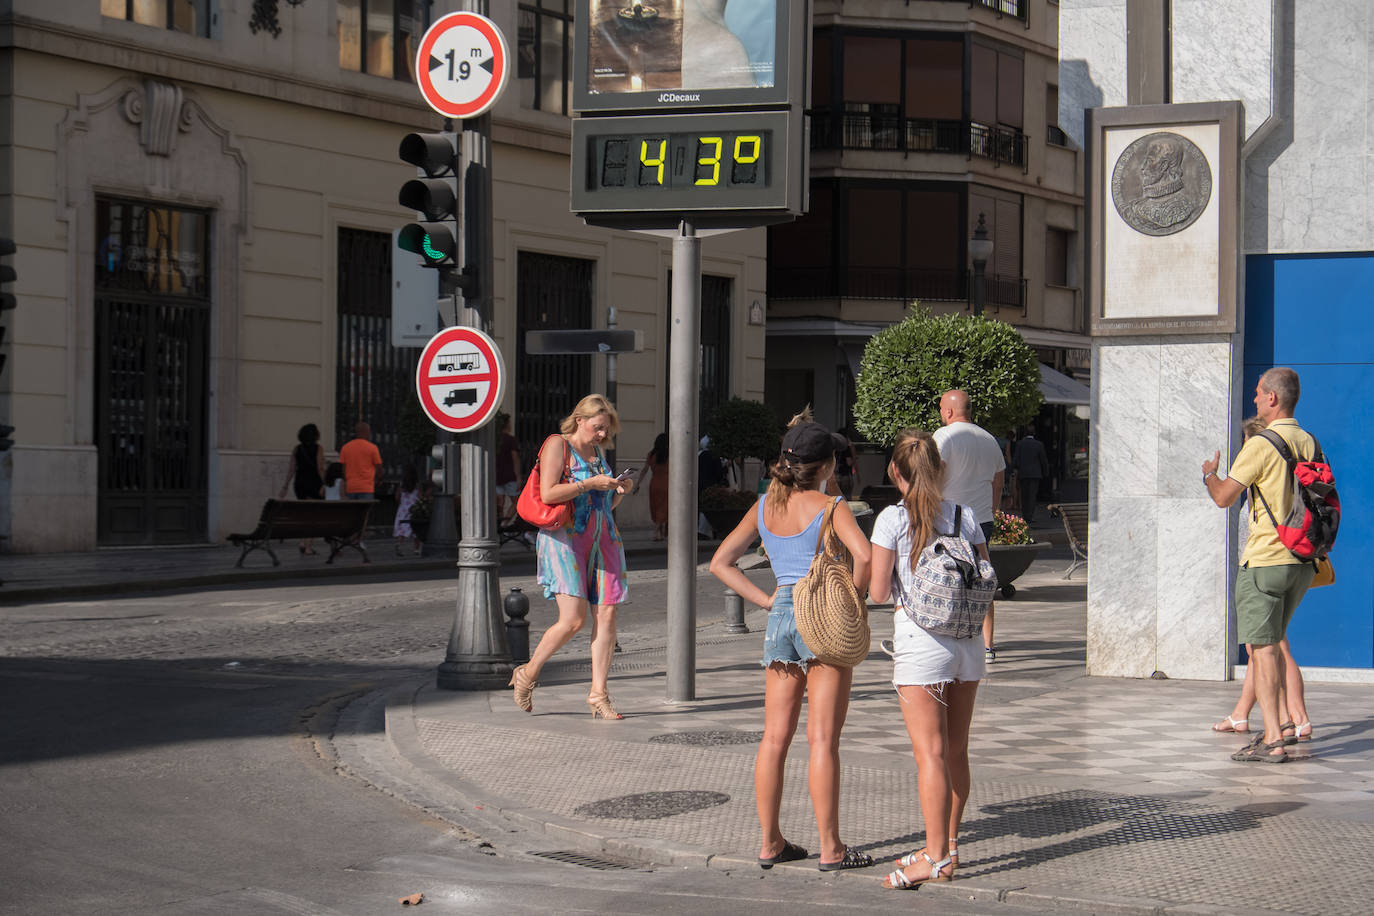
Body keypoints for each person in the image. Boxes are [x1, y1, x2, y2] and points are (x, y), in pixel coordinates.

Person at [709, 421, 875, 874]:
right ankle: (831, 849)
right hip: (822, 615)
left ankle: (769, 842)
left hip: (782, 611)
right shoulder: (832, 505)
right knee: (822, 740)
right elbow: (864, 555)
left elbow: (720, 562)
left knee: (774, 737)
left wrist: (767, 599)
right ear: (827, 464)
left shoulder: (764, 505)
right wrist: (854, 602)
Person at [869, 428, 989, 889]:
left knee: (930, 755)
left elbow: (879, 592)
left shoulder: (891, 520)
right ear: (940, 471)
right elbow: (984, 575)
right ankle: (948, 846)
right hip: (968, 641)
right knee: (956, 749)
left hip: (921, 644)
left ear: (894, 472)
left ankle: (934, 859)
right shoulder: (965, 515)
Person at [1202, 368, 1317, 762]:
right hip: (1302, 561)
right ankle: (1286, 721)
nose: (1253, 399)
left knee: (1262, 650)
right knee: (1274, 644)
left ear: (1272, 398)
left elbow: (1223, 498)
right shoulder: (1309, 441)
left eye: (1257, 394)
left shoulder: (1262, 443)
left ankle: (1272, 738)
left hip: (1266, 559)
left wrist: (1209, 474)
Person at [509, 395, 633, 720]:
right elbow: (548, 493)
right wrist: (590, 483)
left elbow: (601, 506)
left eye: (606, 429)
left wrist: (617, 490)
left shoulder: (598, 454)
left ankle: (599, 695)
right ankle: (529, 672)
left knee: (607, 616)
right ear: (580, 420)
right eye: (598, 427)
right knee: (573, 620)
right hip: (565, 540)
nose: (602, 435)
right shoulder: (557, 444)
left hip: (604, 538)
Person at [934, 390, 1006, 662]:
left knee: (946, 580)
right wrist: (993, 508)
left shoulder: (944, 436)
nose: (941, 412)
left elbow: (934, 472)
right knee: (982, 578)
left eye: (942, 408)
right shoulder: (989, 439)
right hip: (982, 520)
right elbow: (998, 480)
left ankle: (946, 636)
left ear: (949, 412)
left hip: (948, 521)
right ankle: (987, 645)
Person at [279, 423, 325, 556]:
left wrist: (285, 486)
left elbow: (291, 469)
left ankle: (302, 542)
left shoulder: (296, 449)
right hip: (313, 484)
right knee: (313, 516)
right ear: (315, 435)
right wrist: (326, 484)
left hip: (299, 484)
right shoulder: (318, 448)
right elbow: (320, 468)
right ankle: (308, 547)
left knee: (305, 514)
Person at [1012, 428, 1049, 522]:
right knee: (1032, 495)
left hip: (1023, 473)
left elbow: (1016, 459)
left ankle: (1025, 516)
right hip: (1035, 473)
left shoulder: (1020, 444)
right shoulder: (1039, 444)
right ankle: (1030, 516)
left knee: (1024, 495)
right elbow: (1043, 460)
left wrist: (1017, 468)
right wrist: (1045, 472)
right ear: (1034, 433)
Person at [339, 421, 383, 500]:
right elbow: (379, 467)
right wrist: (379, 480)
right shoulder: (372, 448)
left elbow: (343, 469)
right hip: (366, 487)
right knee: (365, 511)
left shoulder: (345, 447)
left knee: (351, 511)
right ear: (366, 432)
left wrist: (347, 482)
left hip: (351, 487)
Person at [494, 412, 523, 527]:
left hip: (497, 475)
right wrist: (518, 476)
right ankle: (504, 525)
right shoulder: (511, 440)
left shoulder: (495, 440)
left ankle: (499, 526)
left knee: (500, 503)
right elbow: (515, 459)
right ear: (507, 424)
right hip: (510, 475)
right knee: (517, 502)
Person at [641, 432, 669, 540]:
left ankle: (660, 534)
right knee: (664, 508)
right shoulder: (669, 455)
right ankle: (656, 531)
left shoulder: (651, 454)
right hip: (666, 483)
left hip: (654, 484)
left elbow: (645, 470)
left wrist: (638, 483)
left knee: (656, 507)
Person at [393, 464, 422, 557]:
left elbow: (397, 497)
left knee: (403, 528)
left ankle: (399, 543)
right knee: (416, 530)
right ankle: (416, 549)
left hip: (403, 509)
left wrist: (401, 502)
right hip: (414, 509)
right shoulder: (417, 484)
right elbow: (420, 496)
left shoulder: (402, 484)